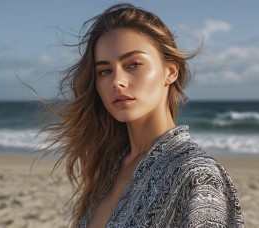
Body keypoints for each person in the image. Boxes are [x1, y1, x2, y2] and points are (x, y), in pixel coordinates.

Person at [42, 3, 244, 228]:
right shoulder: (108, 168)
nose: (116, 81)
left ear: (170, 72)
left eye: (133, 64)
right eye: (104, 71)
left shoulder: (197, 175)